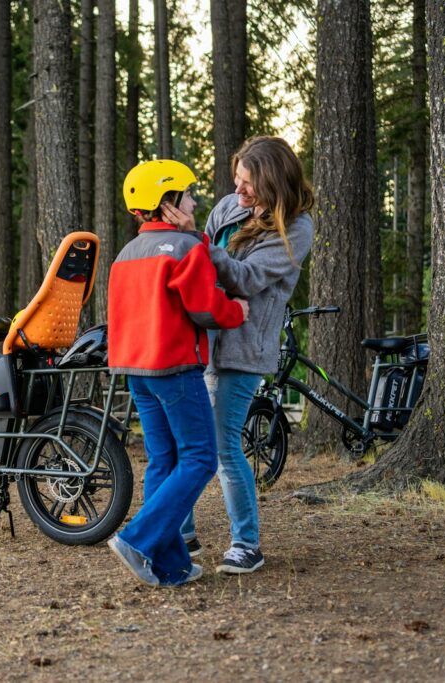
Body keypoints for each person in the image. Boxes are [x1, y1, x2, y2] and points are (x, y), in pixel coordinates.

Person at [162, 136, 315, 575]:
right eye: (237, 180)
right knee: (188, 441)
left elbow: (247, 278)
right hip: (206, 340)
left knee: (224, 445)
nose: (239, 190)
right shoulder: (229, 207)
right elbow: (199, 263)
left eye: (247, 183)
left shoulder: (297, 226)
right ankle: (184, 533)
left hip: (247, 349)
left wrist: (194, 240)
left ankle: (247, 543)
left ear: (271, 180)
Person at [106, 159, 248, 587]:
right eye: (186, 194)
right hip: (175, 368)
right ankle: (137, 539)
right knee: (201, 458)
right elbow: (205, 308)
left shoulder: (126, 254)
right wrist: (235, 312)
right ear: (167, 202)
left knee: (164, 460)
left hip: (136, 371)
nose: (192, 200)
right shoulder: (187, 249)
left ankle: (171, 565)